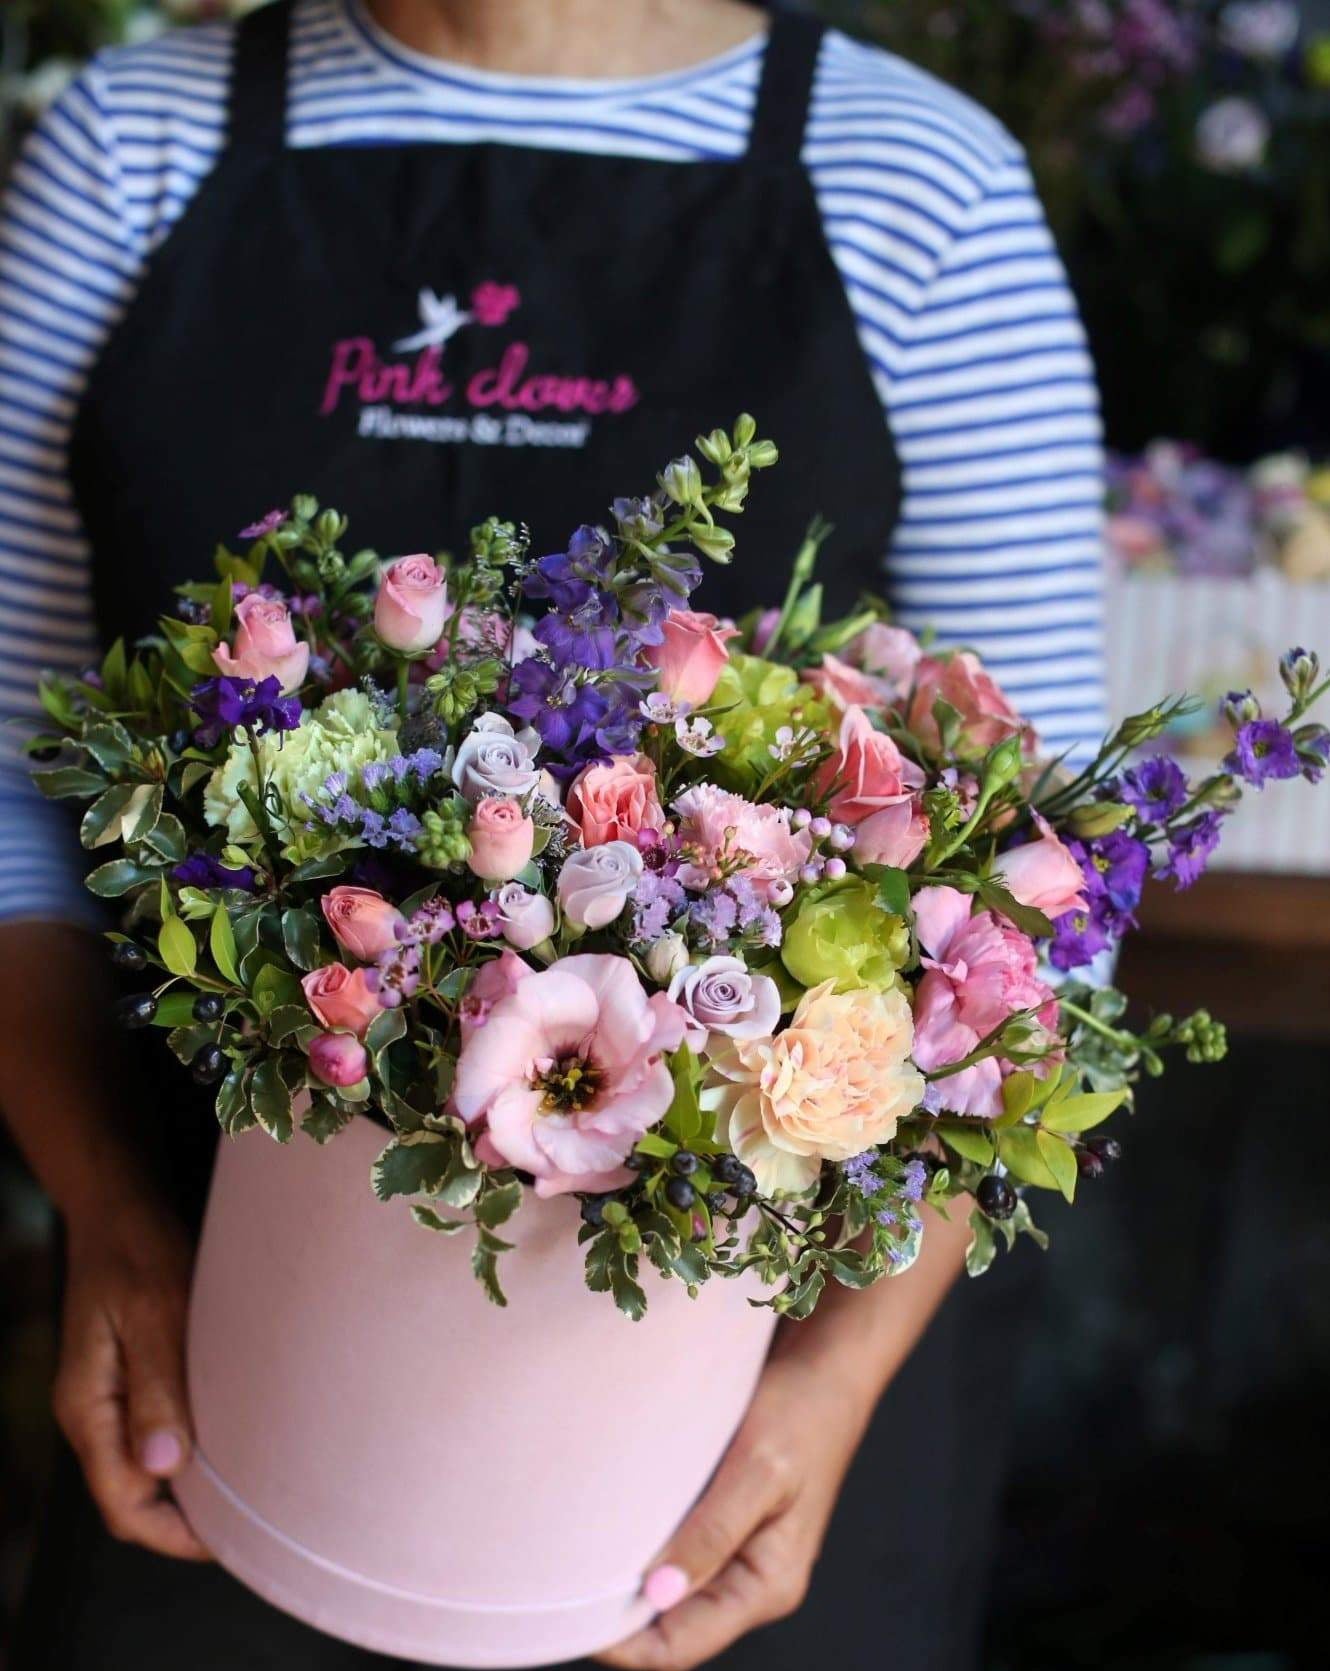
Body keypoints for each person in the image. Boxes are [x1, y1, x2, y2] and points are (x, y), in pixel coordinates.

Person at [0, 2, 1106, 1666]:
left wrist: (830, 1383)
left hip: (739, 1418)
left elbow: (1045, 903)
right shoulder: (135, 140)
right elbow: (17, 786)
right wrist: (111, 1214)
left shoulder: (913, 182)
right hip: (218, 1349)